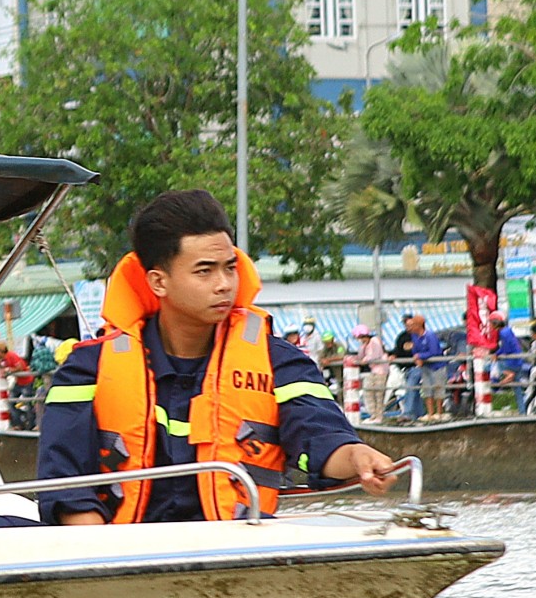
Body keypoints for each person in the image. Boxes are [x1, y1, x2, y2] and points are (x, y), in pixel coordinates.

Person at [36, 189, 394, 524]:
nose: (224, 284)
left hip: (236, 549)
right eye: (204, 271)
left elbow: (320, 439)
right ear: (158, 282)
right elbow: (67, 486)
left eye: (230, 267)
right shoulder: (87, 370)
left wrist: (358, 457)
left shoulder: (278, 361)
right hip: (119, 552)